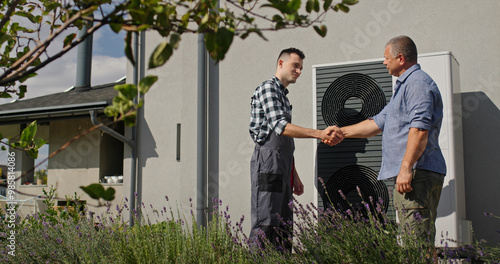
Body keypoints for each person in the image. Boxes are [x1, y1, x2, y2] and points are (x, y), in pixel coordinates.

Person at [326, 36, 446, 249]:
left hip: (416, 174)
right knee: (421, 243)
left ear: (400, 58)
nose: (383, 62)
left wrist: (406, 168)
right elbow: (377, 123)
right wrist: (340, 132)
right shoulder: (404, 86)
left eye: (386, 58)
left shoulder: (417, 83)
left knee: (415, 246)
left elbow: (419, 129)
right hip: (415, 174)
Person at [249, 47, 343, 251]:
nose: (299, 71)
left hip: (283, 167)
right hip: (268, 165)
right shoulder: (268, 89)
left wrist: (295, 175)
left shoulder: (283, 95)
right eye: (295, 66)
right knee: (266, 222)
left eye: (301, 67)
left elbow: (285, 143)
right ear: (280, 63)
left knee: (284, 224)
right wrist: (319, 134)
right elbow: (281, 127)